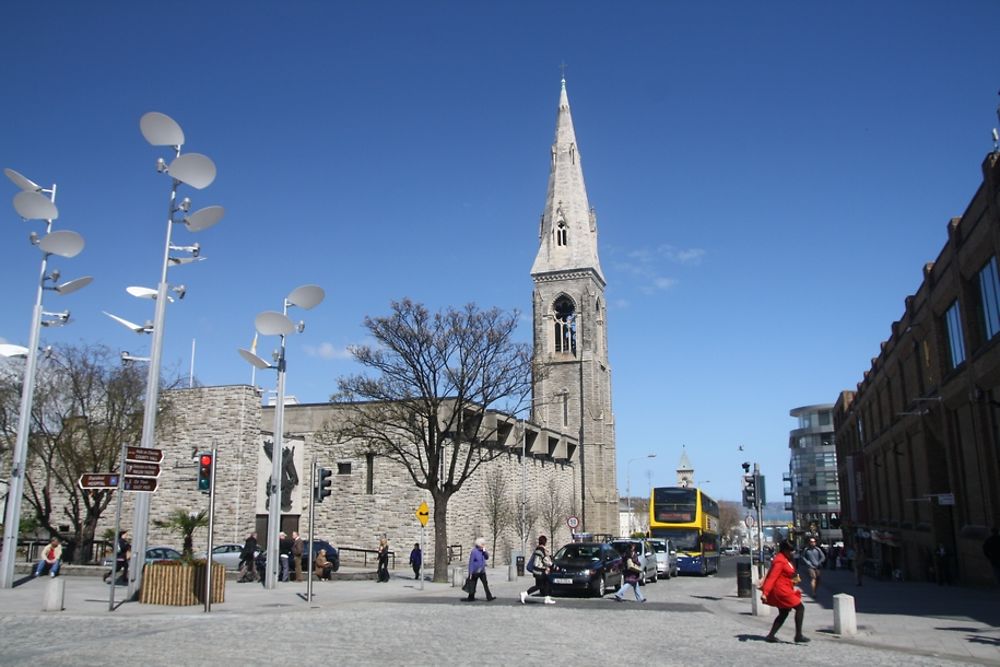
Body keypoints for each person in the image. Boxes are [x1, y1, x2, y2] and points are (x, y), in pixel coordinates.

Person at [760, 540, 809, 643]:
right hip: (781, 590)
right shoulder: (780, 560)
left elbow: (791, 573)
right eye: (791, 550)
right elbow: (772, 577)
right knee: (800, 608)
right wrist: (765, 593)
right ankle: (798, 635)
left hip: (786, 588)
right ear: (785, 550)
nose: (793, 552)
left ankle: (771, 635)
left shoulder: (786, 559)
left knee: (784, 613)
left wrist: (796, 582)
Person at [520, 535, 555, 604]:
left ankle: (547, 598)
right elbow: (545, 560)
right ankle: (524, 593)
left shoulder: (537, 549)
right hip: (540, 570)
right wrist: (551, 564)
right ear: (545, 542)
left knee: (546, 583)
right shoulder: (541, 550)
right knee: (539, 586)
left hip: (537, 570)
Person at [463, 537, 495, 601]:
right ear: (478, 544)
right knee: (473, 584)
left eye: (484, 544)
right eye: (482, 544)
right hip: (475, 571)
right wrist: (470, 572)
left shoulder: (482, 551)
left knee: (485, 584)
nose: (483, 545)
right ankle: (471, 597)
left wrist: (485, 551)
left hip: (482, 571)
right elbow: (471, 562)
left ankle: (489, 597)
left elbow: (487, 557)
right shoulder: (474, 551)